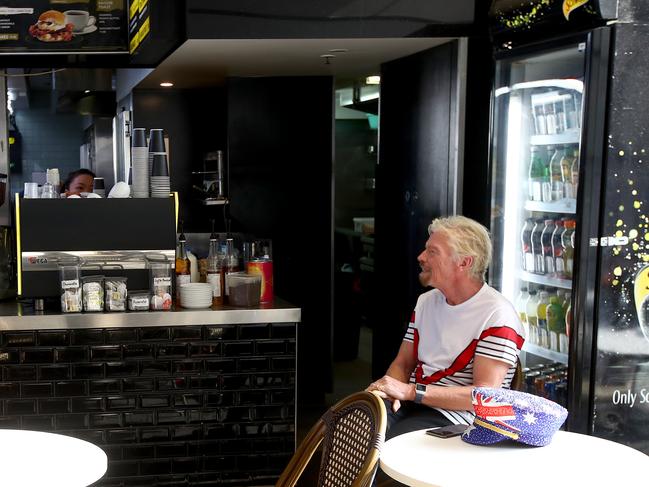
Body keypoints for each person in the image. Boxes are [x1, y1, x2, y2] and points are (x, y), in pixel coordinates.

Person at [366, 215, 525, 439]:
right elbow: (402, 364)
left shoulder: (498, 315)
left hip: (461, 418)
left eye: (433, 252)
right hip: (415, 403)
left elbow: (484, 395)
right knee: (352, 423)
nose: (421, 257)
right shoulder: (426, 302)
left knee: (387, 443)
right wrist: (385, 394)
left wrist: (411, 391)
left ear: (464, 262)